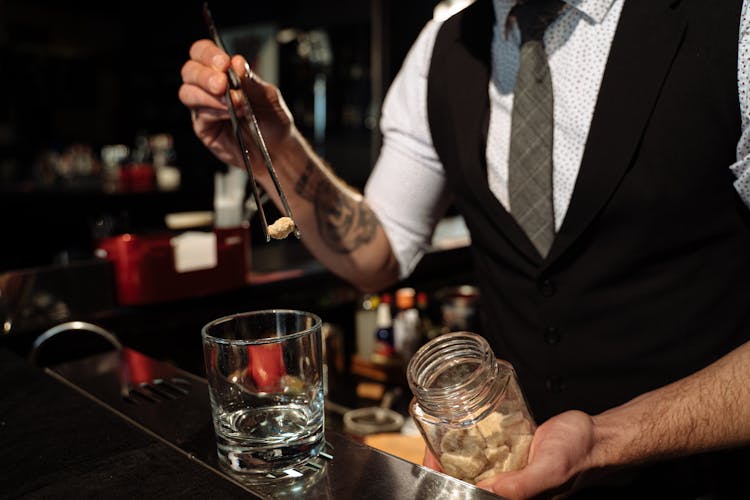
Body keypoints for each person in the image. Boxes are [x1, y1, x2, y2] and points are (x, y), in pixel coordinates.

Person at [179, 0, 750, 497]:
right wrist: (275, 142)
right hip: (503, 479)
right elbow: (377, 253)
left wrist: (606, 438)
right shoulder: (443, 48)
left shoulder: (732, 24)